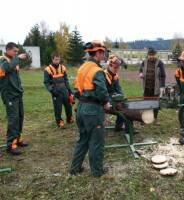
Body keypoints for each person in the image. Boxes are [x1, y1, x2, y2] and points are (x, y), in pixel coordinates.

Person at [69, 40, 111, 177]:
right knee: (96, 141)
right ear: (98, 53)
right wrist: (106, 103)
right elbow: (102, 92)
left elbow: (76, 90)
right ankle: (97, 171)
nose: (104, 56)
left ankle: (74, 168)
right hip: (93, 111)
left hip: (80, 108)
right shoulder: (97, 71)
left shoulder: (82, 68)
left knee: (83, 139)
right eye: (102, 53)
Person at [0, 42, 28, 155]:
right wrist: (18, 58)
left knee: (20, 117)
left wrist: (20, 88)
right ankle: (10, 145)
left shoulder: (13, 60)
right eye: (14, 51)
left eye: (17, 51)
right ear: (8, 50)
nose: (16, 53)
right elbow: (6, 68)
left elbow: (15, 77)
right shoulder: (3, 60)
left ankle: (18, 139)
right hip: (9, 95)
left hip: (17, 94)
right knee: (13, 120)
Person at [44, 53, 74, 128]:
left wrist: (69, 90)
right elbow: (46, 82)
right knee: (58, 108)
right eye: (56, 59)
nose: (57, 61)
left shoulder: (63, 68)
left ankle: (69, 118)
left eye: (58, 59)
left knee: (68, 106)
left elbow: (66, 80)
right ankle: (59, 122)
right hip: (56, 91)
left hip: (64, 89)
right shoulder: (48, 69)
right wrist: (52, 90)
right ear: (52, 59)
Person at [104, 54, 131, 132]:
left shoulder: (115, 76)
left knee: (125, 105)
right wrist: (110, 100)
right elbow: (103, 92)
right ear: (109, 65)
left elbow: (118, 89)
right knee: (122, 109)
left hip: (113, 98)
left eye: (118, 68)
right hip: (105, 101)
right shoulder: (103, 75)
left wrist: (121, 96)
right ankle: (127, 129)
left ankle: (120, 127)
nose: (116, 69)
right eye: (115, 67)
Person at [139, 47, 166, 124]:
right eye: (150, 55)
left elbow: (163, 76)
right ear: (148, 55)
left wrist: (162, 87)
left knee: (155, 104)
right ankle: (144, 119)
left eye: (153, 55)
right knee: (145, 104)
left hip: (155, 88)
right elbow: (140, 69)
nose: (151, 56)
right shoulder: (144, 62)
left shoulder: (160, 63)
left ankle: (155, 119)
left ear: (156, 55)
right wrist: (140, 73)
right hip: (146, 88)